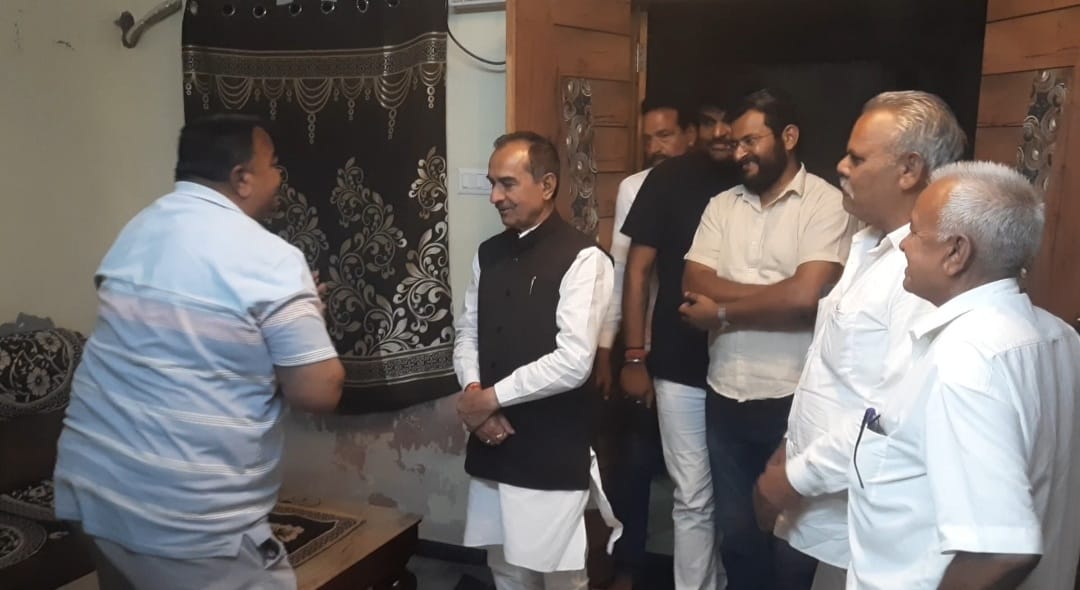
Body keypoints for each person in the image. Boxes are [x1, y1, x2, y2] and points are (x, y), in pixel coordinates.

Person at [53, 114, 345, 590]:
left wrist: (287, 325)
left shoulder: (138, 230)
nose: (280, 177)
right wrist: (302, 325)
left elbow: (180, 347)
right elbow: (318, 391)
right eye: (274, 165)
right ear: (242, 178)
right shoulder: (270, 259)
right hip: (184, 515)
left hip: (90, 480)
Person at [752, 91, 966, 589]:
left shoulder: (924, 273)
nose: (841, 166)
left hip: (858, 525)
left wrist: (792, 478)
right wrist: (788, 450)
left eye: (858, 157)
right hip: (816, 505)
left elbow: (890, 413)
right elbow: (834, 375)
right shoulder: (867, 244)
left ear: (909, 170)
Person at [846, 161, 1080, 589]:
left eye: (916, 232)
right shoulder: (1061, 337)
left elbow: (999, 552)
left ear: (956, 252)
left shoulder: (966, 360)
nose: (904, 245)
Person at [679, 88, 856, 590]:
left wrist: (723, 311)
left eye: (750, 141)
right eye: (735, 143)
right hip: (726, 395)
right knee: (737, 537)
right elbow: (693, 282)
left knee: (793, 545)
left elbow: (807, 297)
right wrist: (779, 296)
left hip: (794, 401)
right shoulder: (721, 206)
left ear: (789, 137)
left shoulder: (827, 203)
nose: (739, 153)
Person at [454, 131, 618, 589]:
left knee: (560, 575)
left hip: (551, 447)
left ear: (546, 186)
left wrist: (489, 399)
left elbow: (573, 361)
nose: (495, 197)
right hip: (492, 441)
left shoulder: (585, 259)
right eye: (492, 184)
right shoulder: (489, 253)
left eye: (507, 184)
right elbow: (468, 331)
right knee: (505, 569)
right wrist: (474, 394)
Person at [616, 98, 739, 590]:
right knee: (692, 495)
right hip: (678, 359)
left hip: (750, 361)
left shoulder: (759, 176)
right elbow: (636, 271)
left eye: (728, 121)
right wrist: (633, 355)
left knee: (739, 497)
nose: (719, 132)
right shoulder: (666, 180)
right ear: (695, 130)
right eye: (709, 122)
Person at [595, 97, 698, 589]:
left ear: (691, 136)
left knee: (699, 477)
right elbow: (622, 274)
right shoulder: (634, 188)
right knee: (633, 460)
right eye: (648, 139)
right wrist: (609, 351)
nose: (655, 147)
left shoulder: (720, 185)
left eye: (665, 135)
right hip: (646, 347)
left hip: (703, 347)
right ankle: (628, 566)